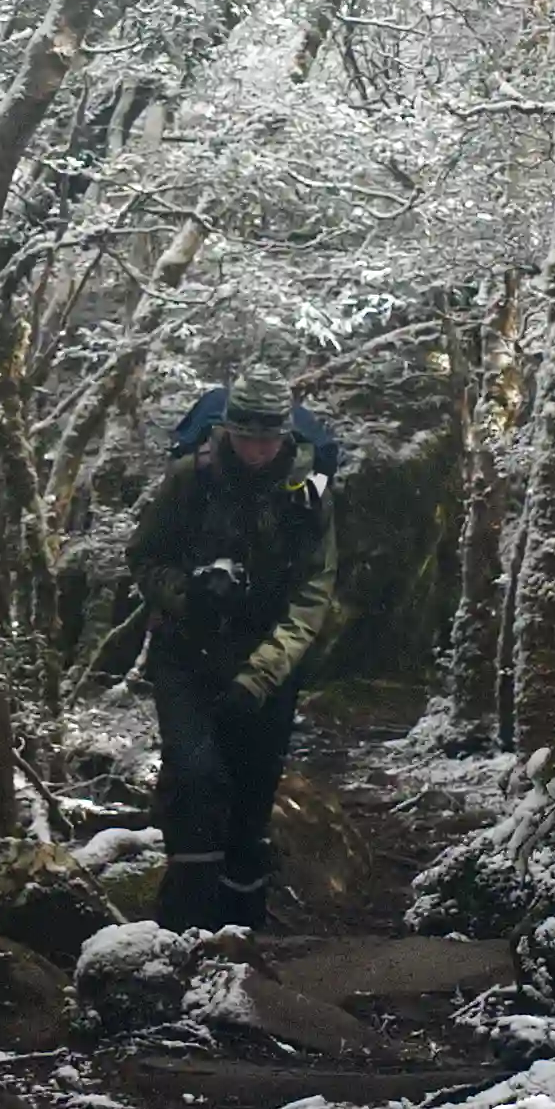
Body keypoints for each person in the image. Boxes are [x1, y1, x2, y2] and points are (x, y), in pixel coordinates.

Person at [129, 362, 338, 928]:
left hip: (265, 662)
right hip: (186, 657)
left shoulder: (307, 493)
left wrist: (262, 674)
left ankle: (242, 933)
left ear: (284, 435)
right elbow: (144, 558)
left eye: (268, 439)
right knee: (195, 779)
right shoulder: (188, 480)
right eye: (247, 437)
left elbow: (312, 594)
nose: (256, 450)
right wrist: (187, 592)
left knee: (250, 799)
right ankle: (180, 929)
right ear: (228, 430)